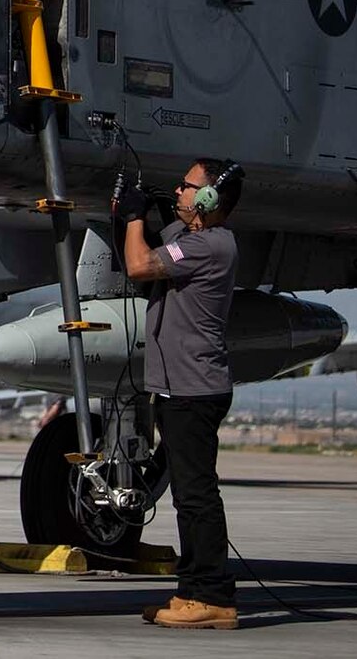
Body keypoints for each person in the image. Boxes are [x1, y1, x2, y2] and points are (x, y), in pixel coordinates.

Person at [118, 158, 245, 630]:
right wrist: (145, 210)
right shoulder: (190, 238)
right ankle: (192, 593)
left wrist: (135, 218)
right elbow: (157, 242)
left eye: (189, 187)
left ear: (209, 200)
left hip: (194, 390)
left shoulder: (211, 246)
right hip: (180, 389)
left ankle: (212, 596)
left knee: (197, 496)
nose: (179, 190)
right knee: (189, 497)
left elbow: (137, 264)